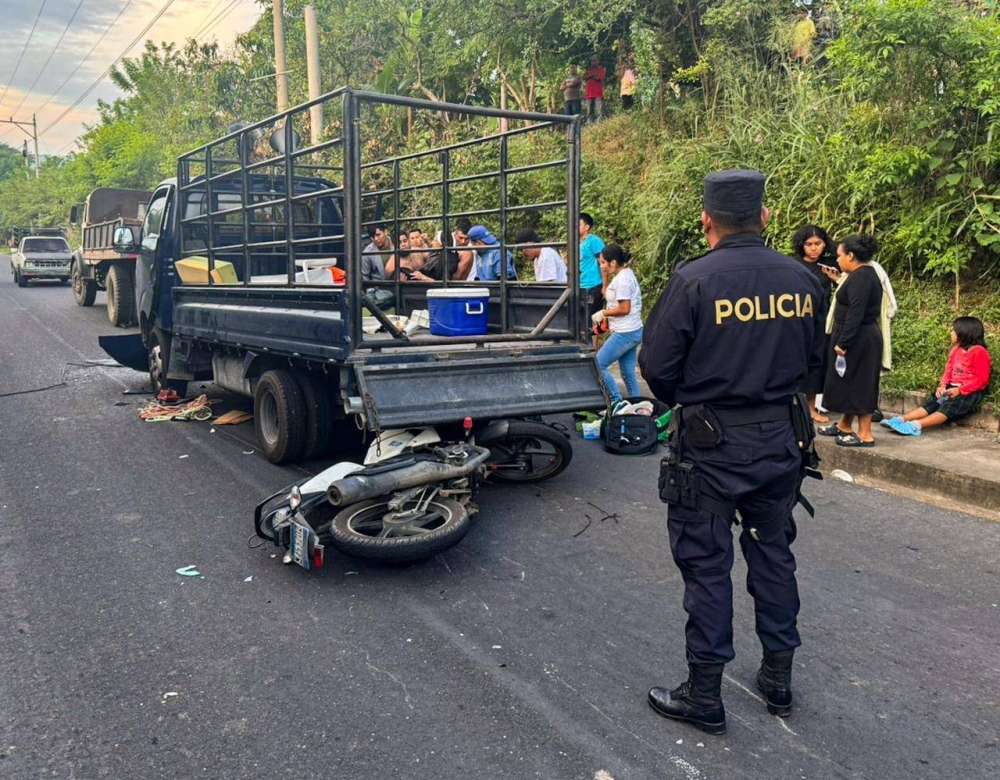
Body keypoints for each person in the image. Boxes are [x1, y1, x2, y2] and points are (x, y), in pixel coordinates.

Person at [639, 170, 825, 736]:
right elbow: (815, 364)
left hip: (710, 448)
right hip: (781, 444)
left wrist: (695, 404)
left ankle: (704, 693)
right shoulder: (805, 279)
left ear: (706, 221)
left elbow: (656, 368)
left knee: (706, 567)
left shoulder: (693, 280)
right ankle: (778, 678)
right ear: (765, 217)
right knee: (774, 556)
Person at [816, 235, 884, 447]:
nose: (837, 260)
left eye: (840, 255)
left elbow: (856, 312)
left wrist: (843, 342)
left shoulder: (862, 278)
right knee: (849, 381)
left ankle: (865, 433)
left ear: (851, 255)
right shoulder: (858, 275)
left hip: (859, 338)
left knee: (861, 383)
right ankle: (845, 425)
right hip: (855, 335)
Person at [883, 317, 991, 435]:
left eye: (953, 330)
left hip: (969, 391)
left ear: (964, 333)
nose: (951, 333)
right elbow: (948, 369)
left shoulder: (979, 352)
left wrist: (960, 390)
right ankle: (901, 419)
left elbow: (982, 380)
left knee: (948, 408)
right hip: (952, 387)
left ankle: (916, 425)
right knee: (932, 402)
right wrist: (943, 385)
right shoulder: (955, 350)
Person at [791, 224, 838, 422]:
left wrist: (836, 278)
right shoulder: (792, 265)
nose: (813, 249)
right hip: (797, 321)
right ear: (801, 245)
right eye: (809, 244)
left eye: (818, 243)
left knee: (817, 363)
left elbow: (846, 286)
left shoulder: (830, 264)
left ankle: (811, 408)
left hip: (821, 321)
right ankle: (792, 405)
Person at [592, 244, 642, 404]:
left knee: (598, 364)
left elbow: (624, 308)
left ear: (613, 263)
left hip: (625, 332)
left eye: (603, 263)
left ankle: (616, 402)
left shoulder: (623, 280)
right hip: (633, 330)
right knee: (628, 373)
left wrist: (603, 313)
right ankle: (637, 408)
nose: (601, 266)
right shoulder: (625, 274)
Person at [579, 211, 606, 348]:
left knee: (595, 317)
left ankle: (595, 349)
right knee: (583, 319)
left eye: (579, 224)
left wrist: (605, 285)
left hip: (594, 285)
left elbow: (603, 263)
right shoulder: (578, 243)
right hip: (581, 286)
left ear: (587, 226)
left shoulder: (594, 241)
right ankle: (589, 346)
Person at [583, 56, 605, 123]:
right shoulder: (588, 70)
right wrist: (592, 75)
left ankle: (599, 124)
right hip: (589, 94)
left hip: (598, 94)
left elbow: (598, 78)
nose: (593, 62)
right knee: (589, 111)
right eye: (592, 61)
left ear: (598, 61)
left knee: (599, 111)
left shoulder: (601, 69)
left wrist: (589, 76)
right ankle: (590, 124)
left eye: (595, 61)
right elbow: (583, 77)